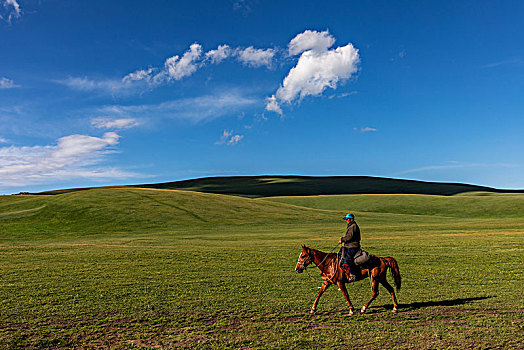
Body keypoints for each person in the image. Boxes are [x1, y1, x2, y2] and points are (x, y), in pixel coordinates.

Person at [338, 213, 361, 282]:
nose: (346, 221)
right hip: (348, 246)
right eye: (346, 219)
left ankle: (354, 274)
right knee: (339, 254)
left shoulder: (353, 226)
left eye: (347, 219)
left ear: (351, 219)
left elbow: (349, 237)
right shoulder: (350, 226)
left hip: (353, 246)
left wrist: (342, 240)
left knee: (348, 259)